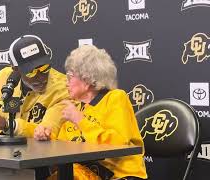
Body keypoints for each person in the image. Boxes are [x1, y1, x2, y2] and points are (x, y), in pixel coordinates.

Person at [35, 45, 147, 180]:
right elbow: (63, 150)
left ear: (87, 79)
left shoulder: (115, 98)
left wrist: (80, 120)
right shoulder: (76, 108)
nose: (66, 82)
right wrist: (46, 137)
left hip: (119, 176)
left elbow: (118, 144)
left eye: (70, 76)